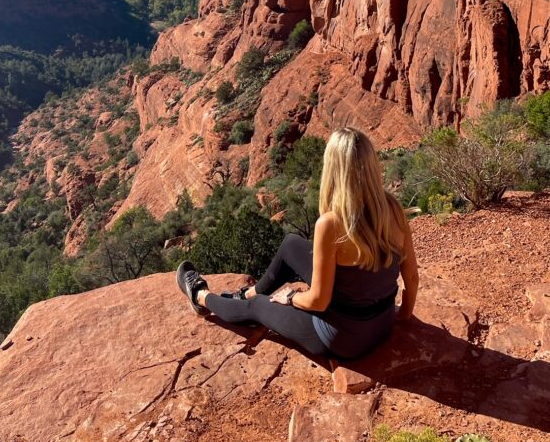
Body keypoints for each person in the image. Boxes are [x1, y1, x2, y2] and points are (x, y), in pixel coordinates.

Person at [176, 126, 419, 360]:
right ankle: (248, 292)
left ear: (333, 170)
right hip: (383, 324)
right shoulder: (393, 209)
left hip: (343, 339)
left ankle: (200, 296)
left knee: (258, 307)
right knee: (292, 244)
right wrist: (404, 314)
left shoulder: (331, 224)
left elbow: (318, 301)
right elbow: (412, 278)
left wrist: (290, 297)